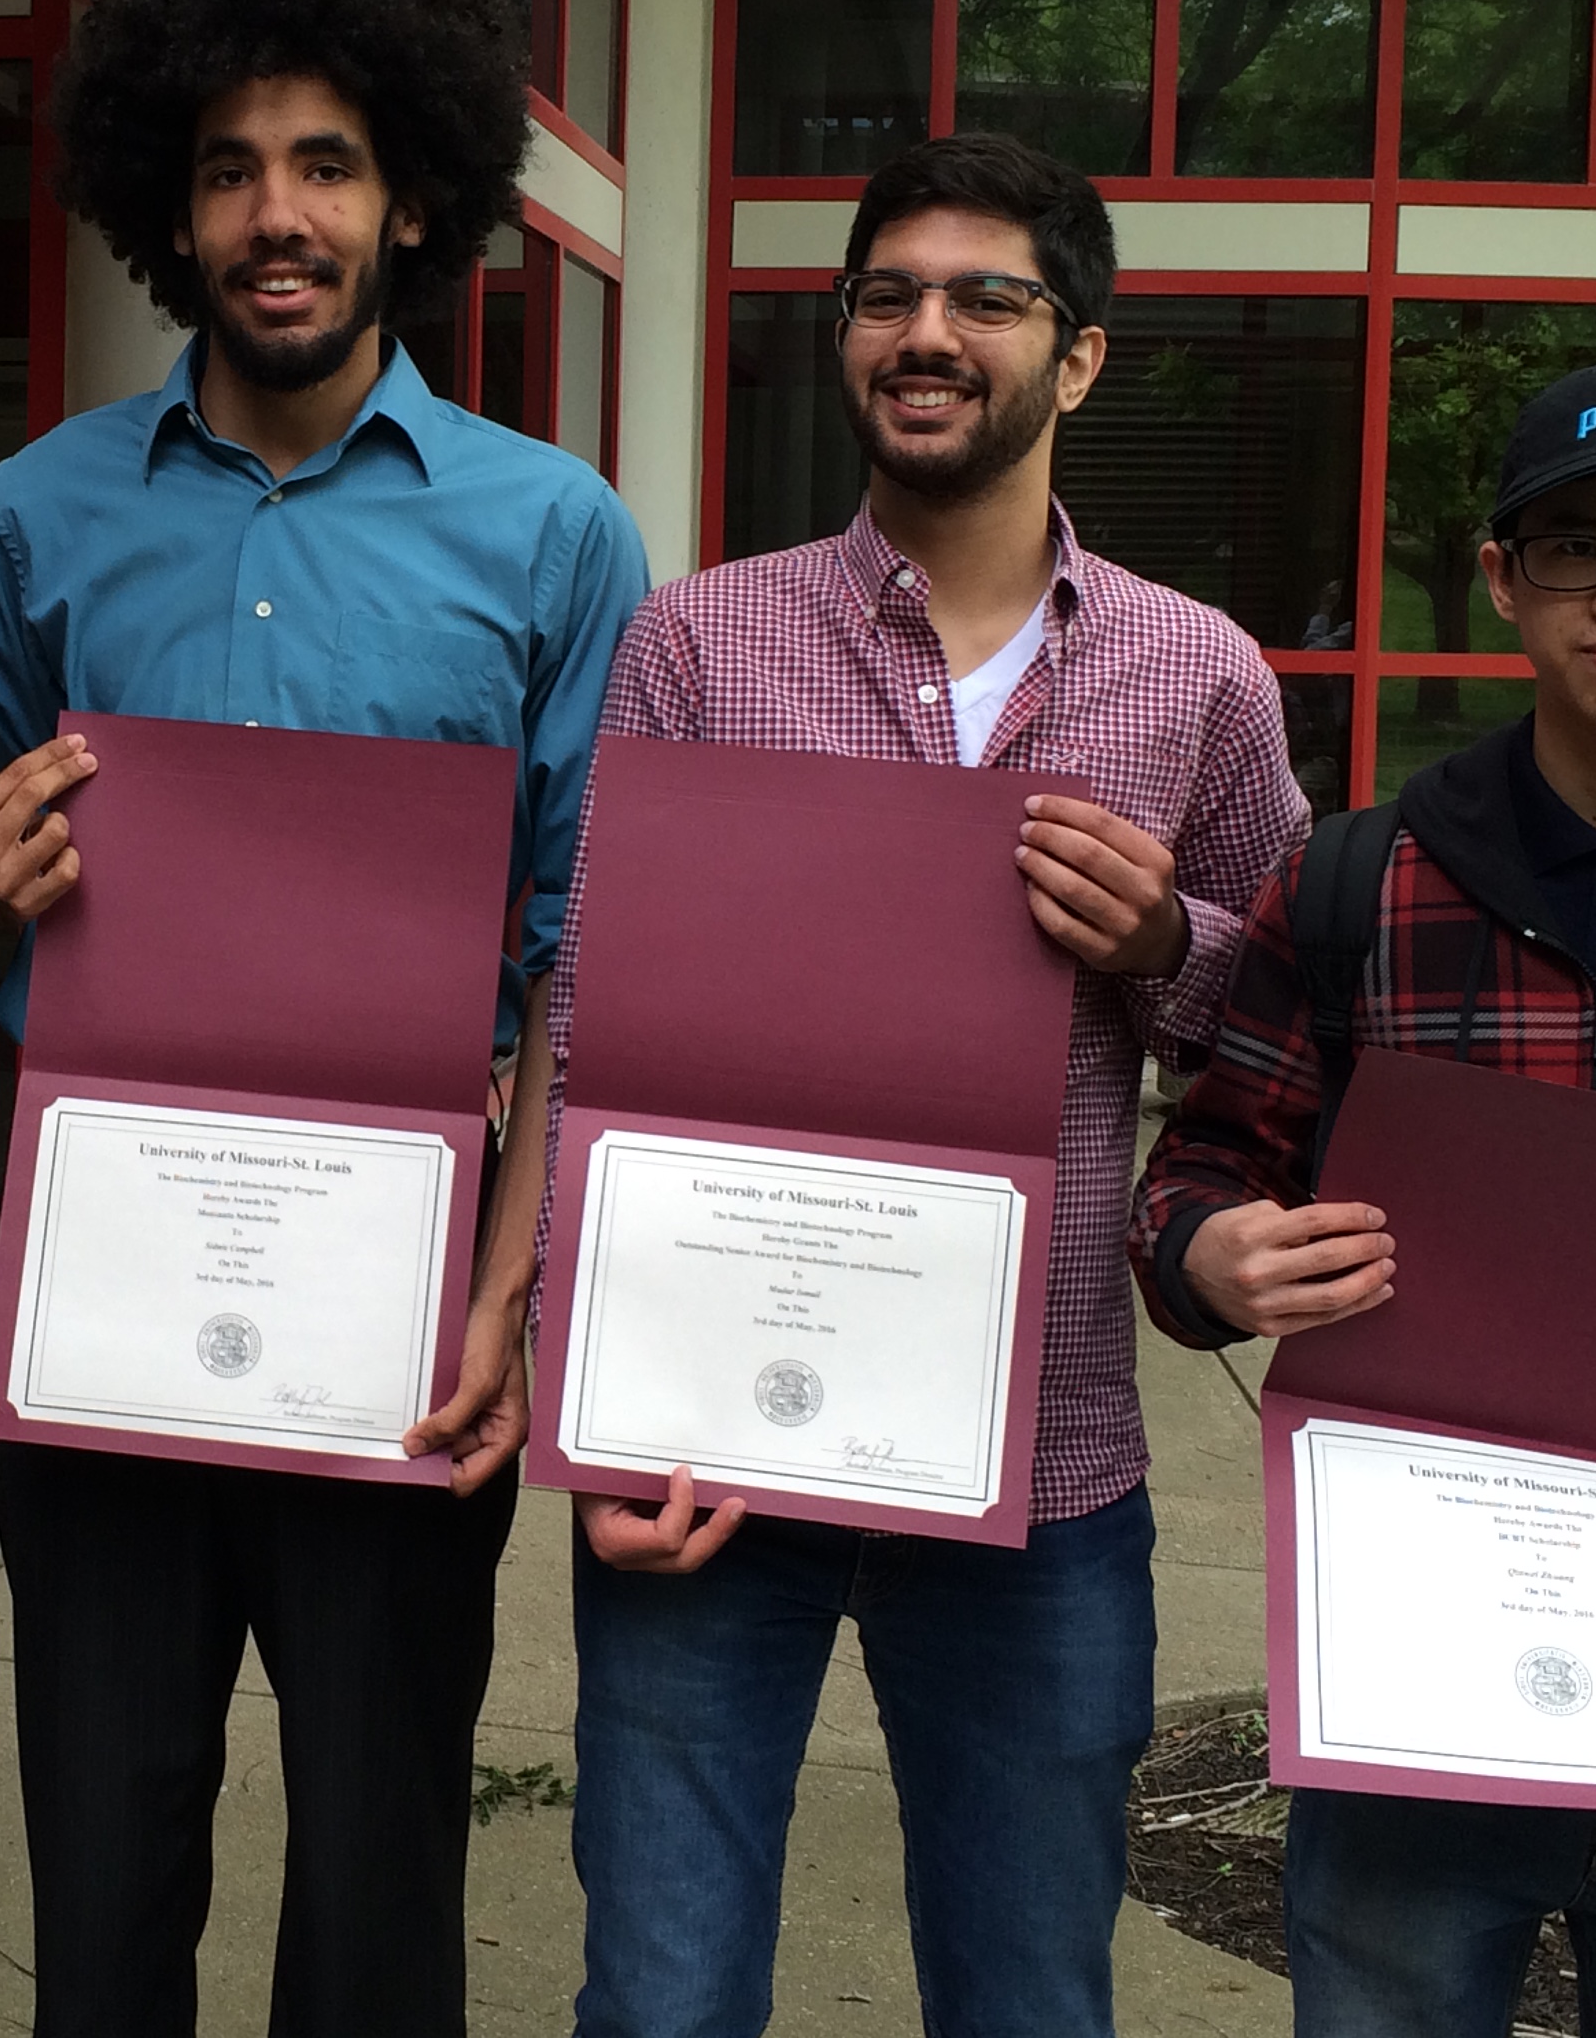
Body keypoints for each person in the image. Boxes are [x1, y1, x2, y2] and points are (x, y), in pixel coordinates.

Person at [0, 0, 649, 2037]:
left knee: (372, 1903)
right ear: (172, 200)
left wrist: (511, 1297)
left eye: (326, 162)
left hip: (397, 1312)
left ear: (412, 195)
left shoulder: (554, 536)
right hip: (106, 1303)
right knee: (104, 1886)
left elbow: (579, 958)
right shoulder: (40, 515)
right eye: (234, 164)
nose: (278, 211)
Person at [549, 131, 1312, 2038]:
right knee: (656, 1998)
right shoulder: (700, 644)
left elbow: (1281, 1059)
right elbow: (596, 1044)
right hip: (710, 1447)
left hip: (1039, 1466)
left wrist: (1164, 950)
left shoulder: (1197, 679)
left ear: (1081, 356)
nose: (928, 331)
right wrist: (591, 1410)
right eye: (888, 293)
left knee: (1030, 1997)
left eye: (988, 296)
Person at [1135, 355, 1596, 2037]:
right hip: (1419, 1679)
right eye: (1575, 545)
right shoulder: (1351, 888)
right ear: (1500, 582)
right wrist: (1213, 1255)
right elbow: (1201, 1173)